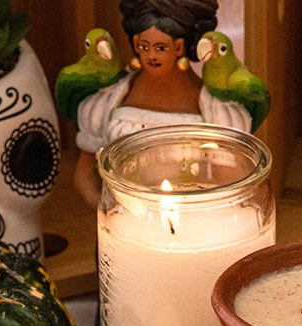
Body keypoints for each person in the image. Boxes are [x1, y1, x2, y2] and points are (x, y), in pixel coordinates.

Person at [72, 0, 252, 208]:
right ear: (136, 43)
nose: (152, 56)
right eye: (144, 47)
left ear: (179, 47)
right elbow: (84, 178)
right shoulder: (108, 101)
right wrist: (114, 214)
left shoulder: (218, 113)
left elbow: (233, 191)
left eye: (161, 48)